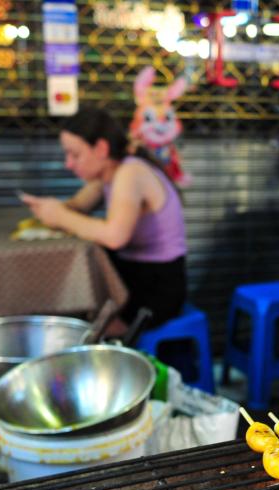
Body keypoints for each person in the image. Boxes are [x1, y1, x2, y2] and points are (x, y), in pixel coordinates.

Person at [22, 108, 187, 330]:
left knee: (84, 323)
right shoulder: (107, 174)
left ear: (101, 148)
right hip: (132, 272)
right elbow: (78, 206)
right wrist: (51, 209)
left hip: (157, 285)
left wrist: (60, 215)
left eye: (75, 155)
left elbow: (115, 236)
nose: (68, 164)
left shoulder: (130, 173)